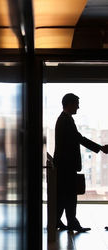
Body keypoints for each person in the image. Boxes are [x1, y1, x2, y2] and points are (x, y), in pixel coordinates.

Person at [53, 93, 108, 232]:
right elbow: (79, 138)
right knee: (69, 196)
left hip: (64, 165)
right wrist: (100, 148)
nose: (78, 106)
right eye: (76, 103)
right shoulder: (66, 120)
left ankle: (58, 221)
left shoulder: (64, 119)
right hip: (66, 166)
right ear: (69, 104)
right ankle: (70, 223)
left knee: (65, 195)